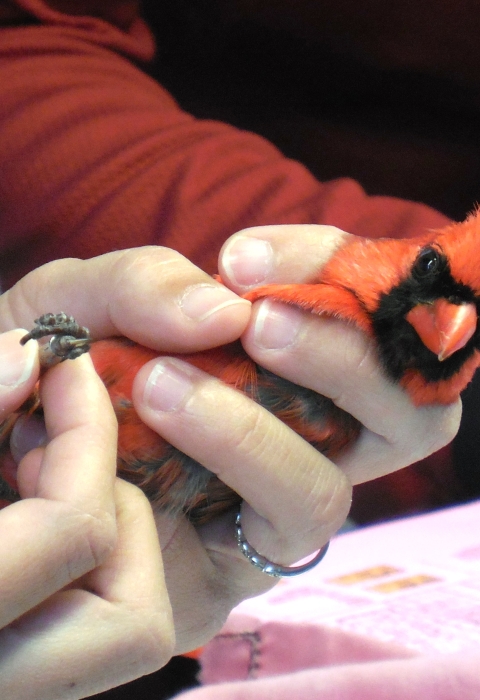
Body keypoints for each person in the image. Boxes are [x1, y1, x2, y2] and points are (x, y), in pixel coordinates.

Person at [0, 0, 467, 696]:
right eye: (432, 277)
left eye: (474, 328)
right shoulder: (269, 299)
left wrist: (242, 555)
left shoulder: (359, 412)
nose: (450, 321)